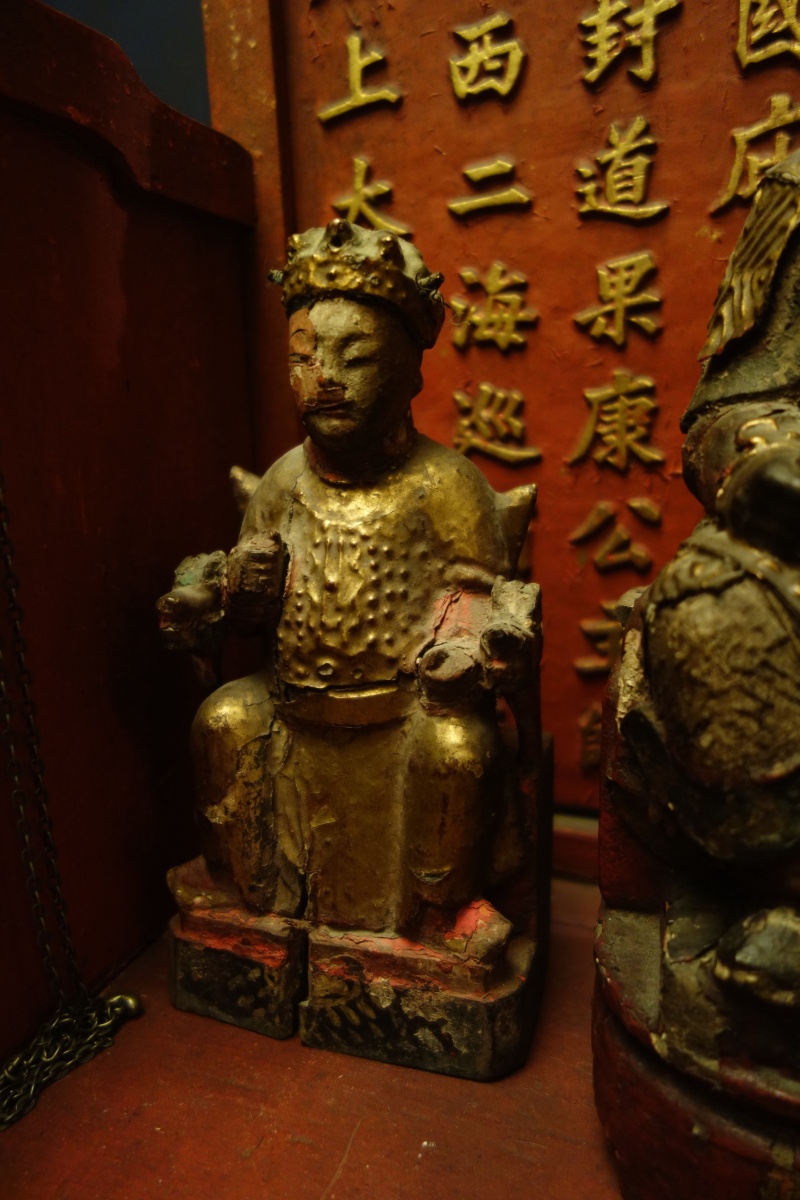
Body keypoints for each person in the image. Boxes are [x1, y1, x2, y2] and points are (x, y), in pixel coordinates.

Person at [159, 219, 541, 950]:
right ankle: (235, 878)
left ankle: (443, 908)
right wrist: (235, 593)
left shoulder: (446, 485)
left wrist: (466, 648)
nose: (324, 378)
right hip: (290, 704)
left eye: (355, 357)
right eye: (304, 358)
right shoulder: (283, 483)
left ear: (410, 372)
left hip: (405, 713)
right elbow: (239, 601)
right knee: (222, 719)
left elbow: (481, 598)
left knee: (458, 751)